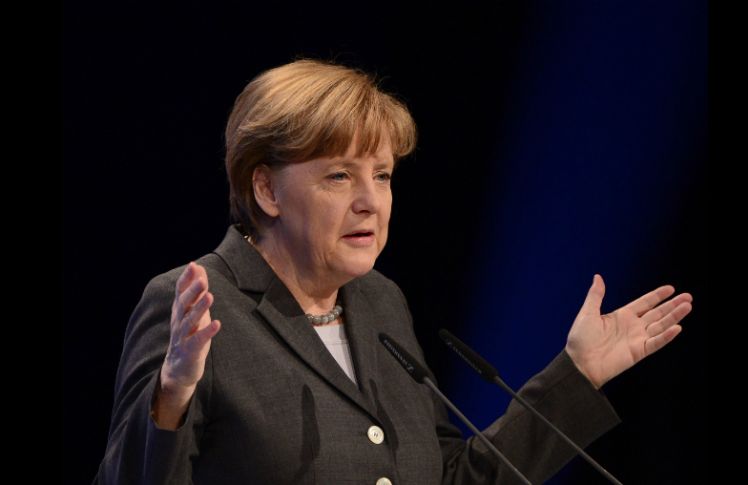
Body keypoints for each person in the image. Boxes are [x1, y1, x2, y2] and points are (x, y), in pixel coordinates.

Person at [94, 59, 693, 485]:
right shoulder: (192, 304)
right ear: (266, 188)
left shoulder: (379, 302)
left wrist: (577, 376)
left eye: (381, 175)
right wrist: (170, 396)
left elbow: (452, 479)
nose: (371, 202)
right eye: (339, 176)